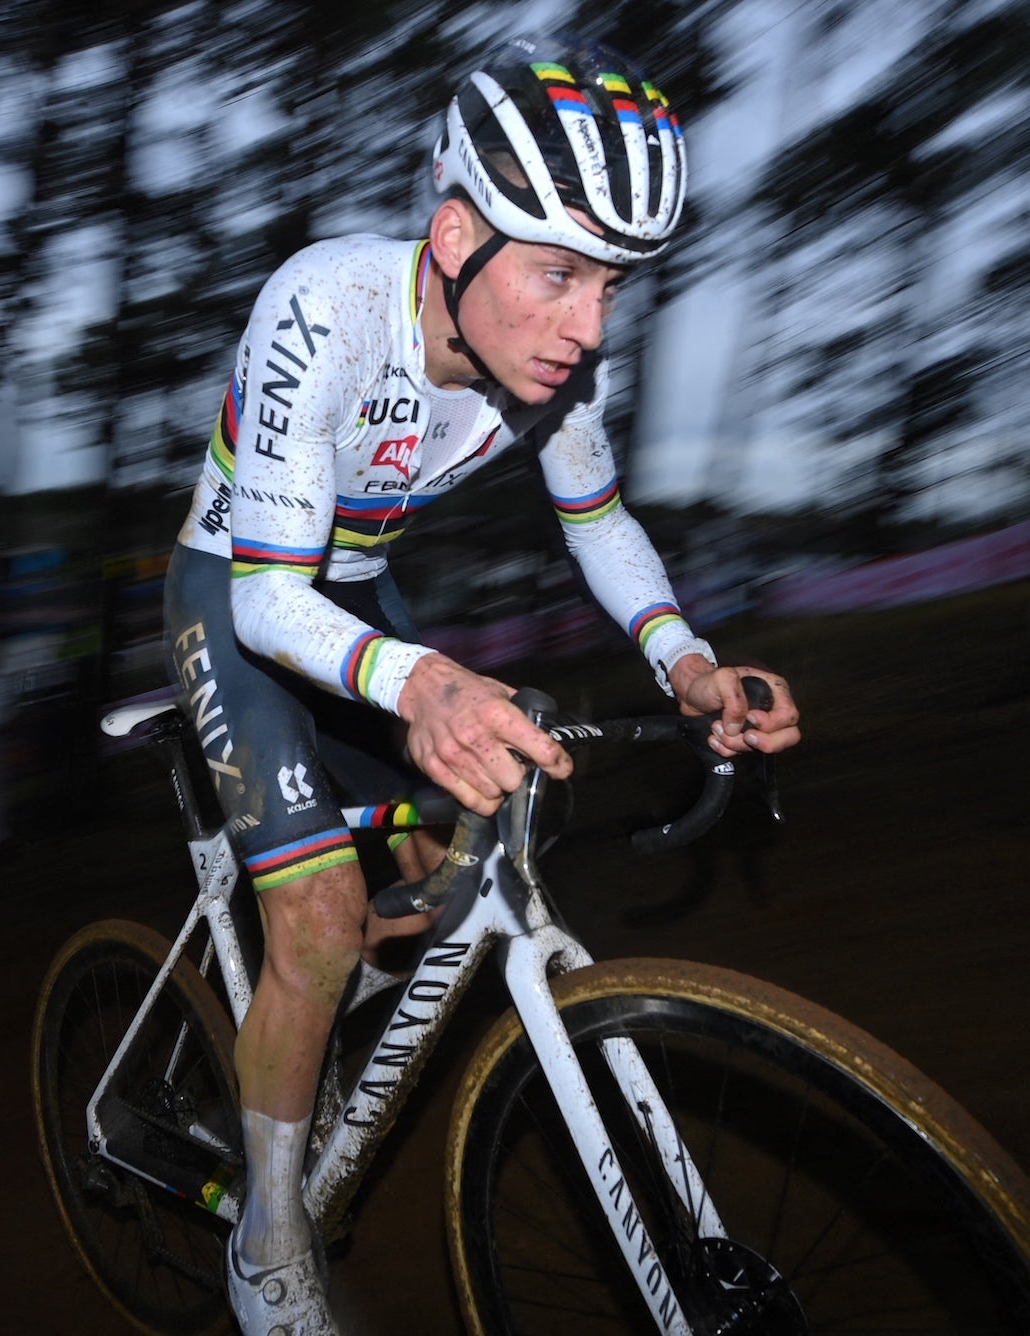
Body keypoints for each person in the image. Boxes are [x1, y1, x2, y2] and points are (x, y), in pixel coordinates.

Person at [160, 34, 802, 1335]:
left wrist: (685, 660)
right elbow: (273, 598)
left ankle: (323, 1017)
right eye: (561, 274)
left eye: (613, 285)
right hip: (238, 593)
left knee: (467, 842)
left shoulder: (553, 363)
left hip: (358, 596)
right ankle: (269, 1228)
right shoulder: (327, 306)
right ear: (456, 235)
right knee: (325, 922)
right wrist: (426, 683)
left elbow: (600, 521)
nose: (589, 325)